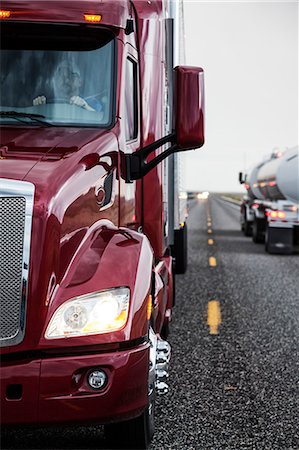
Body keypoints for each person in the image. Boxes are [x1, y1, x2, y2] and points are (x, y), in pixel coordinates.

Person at [33, 62, 102, 113]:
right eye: (61, 76)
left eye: (71, 75)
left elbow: (100, 121)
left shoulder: (92, 102)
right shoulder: (49, 103)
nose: (66, 80)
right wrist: (38, 108)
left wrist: (85, 106)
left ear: (80, 82)